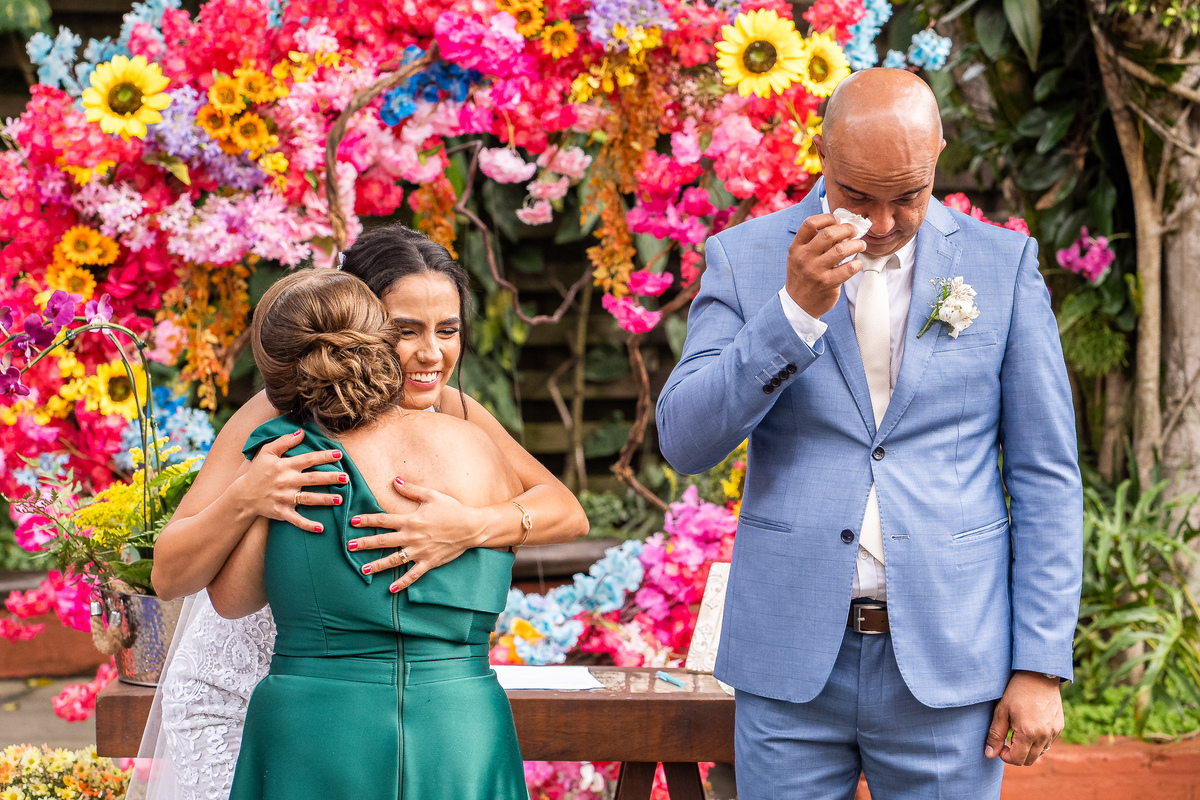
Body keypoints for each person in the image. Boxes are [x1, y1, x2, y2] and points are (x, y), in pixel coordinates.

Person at [655, 68, 1082, 799]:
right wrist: (791, 312)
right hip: (789, 665)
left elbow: (1046, 474)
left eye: (906, 196)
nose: (881, 223)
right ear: (822, 153)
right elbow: (685, 441)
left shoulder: (1002, 265)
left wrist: (1040, 664)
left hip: (949, 668)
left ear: (939, 154)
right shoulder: (746, 258)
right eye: (857, 196)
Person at [131, 224, 587, 800]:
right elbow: (173, 576)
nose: (432, 354)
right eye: (406, 331)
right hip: (245, 684)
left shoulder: (455, 412)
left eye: (448, 331)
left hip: (360, 694)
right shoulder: (280, 416)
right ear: (358, 327)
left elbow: (565, 509)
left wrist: (468, 527)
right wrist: (246, 497)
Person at [204, 267, 527, 799]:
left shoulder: (289, 459)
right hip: (463, 727)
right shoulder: (481, 450)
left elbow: (232, 598)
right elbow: (544, 520)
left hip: (313, 729)